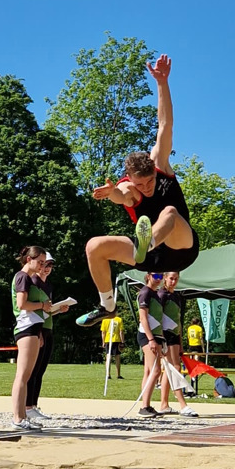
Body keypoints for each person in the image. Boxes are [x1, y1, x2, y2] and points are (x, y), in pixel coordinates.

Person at [76, 54, 199, 328]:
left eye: (150, 183)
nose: (147, 188)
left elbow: (165, 125)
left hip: (181, 246)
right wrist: (113, 194)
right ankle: (107, 305)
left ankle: (148, 242)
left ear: (154, 172)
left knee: (168, 211)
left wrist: (162, 83)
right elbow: (123, 194)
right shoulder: (129, 186)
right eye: (140, 184)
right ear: (131, 177)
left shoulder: (160, 164)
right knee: (94, 247)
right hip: (150, 258)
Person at [10, 246, 53, 431]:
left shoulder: (27, 278)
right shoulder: (23, 277)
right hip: (26, 328)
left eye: (45, 263)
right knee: (22, 375)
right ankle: (18, 418)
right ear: (29, 259)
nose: (42, 266)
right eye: (40, 262)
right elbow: (21, 304)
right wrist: (42, 305)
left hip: (32, 328)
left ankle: (22, 416)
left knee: (26, 376)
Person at [26, 252, 67, 422]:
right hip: (39, 328)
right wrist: (39, 332)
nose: (47, 269)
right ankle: (28, 406)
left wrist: (58, 309)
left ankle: (34, 405)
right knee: (33, 370)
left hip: (48, 327)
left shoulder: (47, 286)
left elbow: (46, 310)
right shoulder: (34, 282)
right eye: (44, 265)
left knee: (40, 370)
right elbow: (32, 309)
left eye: (49, 266)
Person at [157, 271, 197, 417]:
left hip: (174, 335)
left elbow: (178, 320)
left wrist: (180, 343)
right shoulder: (162, 295)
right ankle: (182, 404)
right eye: (171, 279)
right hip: (165, 335)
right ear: (165, 279)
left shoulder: (176, 296)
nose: (173, 282)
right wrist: (160, 339)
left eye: (176, 279)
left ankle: (164, 404)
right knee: (174, 368)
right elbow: (158, 317)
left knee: (171, 368)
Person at [136, 272, 167, 418]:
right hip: (148, 335)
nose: (159, 279)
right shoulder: (145, 292)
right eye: (156, 276)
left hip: (156, 335)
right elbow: (143, 318)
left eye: (161, 276)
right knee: (156, 371)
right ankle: (144, 406)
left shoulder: (154, 293)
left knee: (149, 371)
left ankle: (146, 404)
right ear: (148, 276)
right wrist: (151, 339)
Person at [101, 314, 124, 379]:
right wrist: (122, 342)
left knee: (108, 357)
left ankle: (108, 374)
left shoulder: (105, 320)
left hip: (108, 340)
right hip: (116, 340)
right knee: (117, 357)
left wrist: (103, 342)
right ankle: (118, 374)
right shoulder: (119, 319)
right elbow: (121, 332)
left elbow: (103, 332)